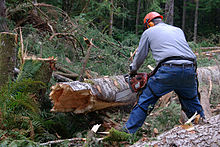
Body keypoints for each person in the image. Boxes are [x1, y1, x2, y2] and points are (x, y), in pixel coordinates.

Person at [124, 12, 205, 134]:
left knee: (146, 99)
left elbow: (140, 56)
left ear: (149, 23)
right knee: (192, 102)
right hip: (189, 69)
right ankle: (204, 130)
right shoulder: (178, 30)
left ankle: (127, 132)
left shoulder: (148, 32)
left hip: (168, 70)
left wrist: (133, 71)